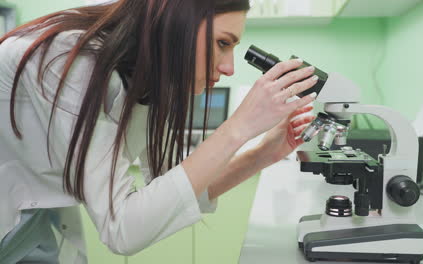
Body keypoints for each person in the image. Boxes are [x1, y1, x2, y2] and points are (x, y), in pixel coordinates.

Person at [0, 0, 318, 262]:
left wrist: (266, 152)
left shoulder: (149, 78)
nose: (229, 67)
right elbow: (122, 229)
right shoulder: (71, 62)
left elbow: (174, 186)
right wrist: (239, 127)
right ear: (176, 21)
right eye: (223, 43)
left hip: (35, 215)